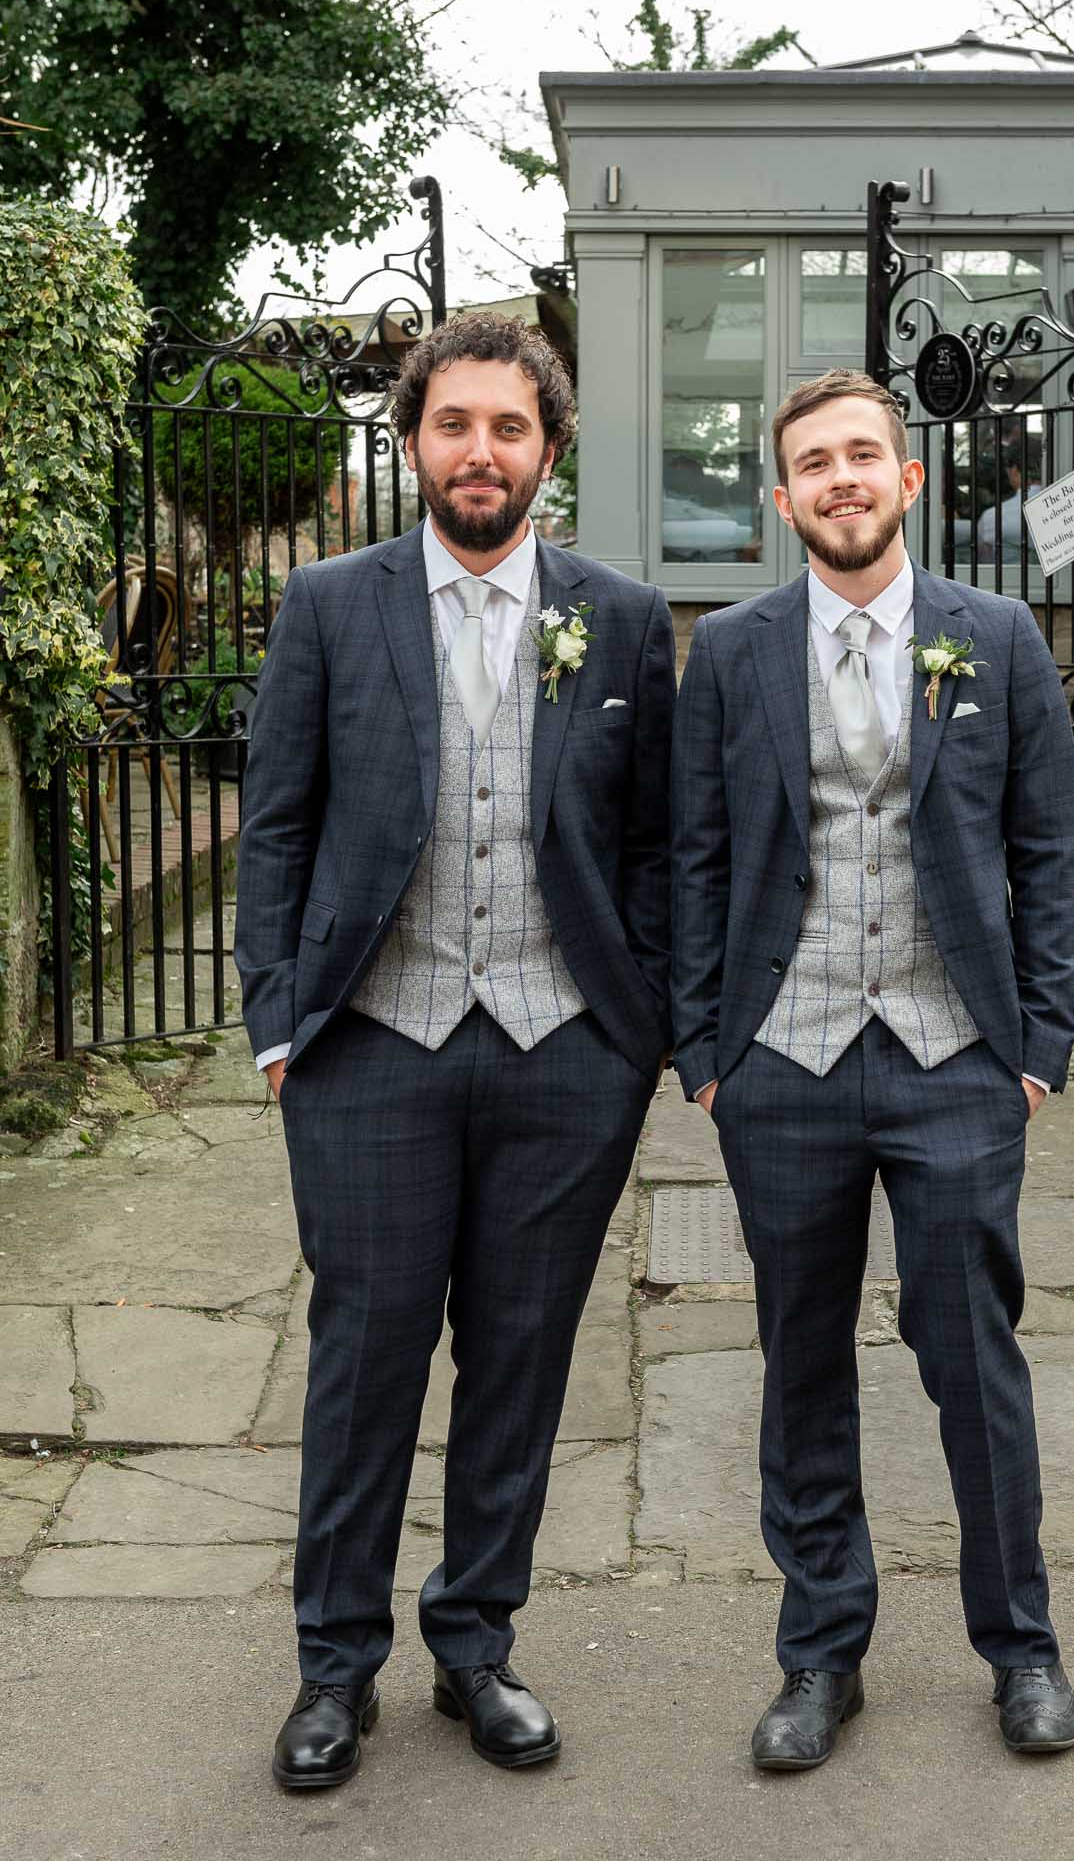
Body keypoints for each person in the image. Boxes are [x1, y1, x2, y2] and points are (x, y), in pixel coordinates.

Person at [234, 311, 675, 1791]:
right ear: (414, 438)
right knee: (364, 1361)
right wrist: (278, 1023)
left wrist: (639, 1035)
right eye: (453, 424)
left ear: (548, 450)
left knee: (522, 1361)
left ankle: (476, 1642)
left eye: (508, 428)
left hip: (566, 1057)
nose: (478, 452)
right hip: (371, 1045)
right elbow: (278, 824)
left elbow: (658, 843)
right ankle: (334, 1669)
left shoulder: (618, 615)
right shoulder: (329, 605)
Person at [670, 367, 1074, 1772]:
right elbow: (696, 855)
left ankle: (1020, 1647)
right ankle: (819, 1655)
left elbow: (1046, 849)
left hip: (955, 1057)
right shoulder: (728, 650)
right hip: (778, 1064)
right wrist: (707, 1048)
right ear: (781, 499)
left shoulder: (1000, 637)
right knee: (801, 1368)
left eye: (866, 456)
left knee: (974, 1361)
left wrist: (1036, 1043)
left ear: (910, 481)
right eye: (814, 464)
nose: (843, 480)